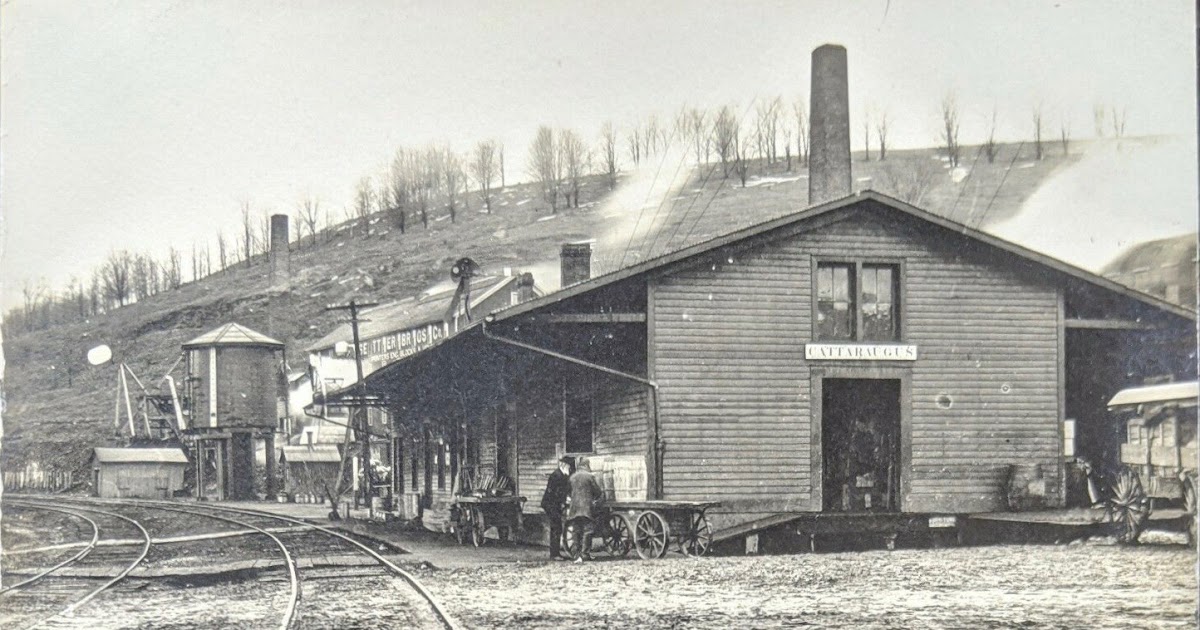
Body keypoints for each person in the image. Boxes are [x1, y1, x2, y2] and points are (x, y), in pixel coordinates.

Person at [566, 456, 604, 562]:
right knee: (588, 530)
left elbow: (568, 492)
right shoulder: (589, 476)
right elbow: (598, 492)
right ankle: (585, 554)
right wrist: (594, 499)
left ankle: (575, 554)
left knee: (576, 531)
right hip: (586, 508)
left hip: (574, 508)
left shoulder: (572, 477)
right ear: (587, 465)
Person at [540, 457, 572, 560]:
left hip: (555, 504)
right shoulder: (556, 475)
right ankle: (554, 554)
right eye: (568, 466)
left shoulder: (563, 475)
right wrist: (564, 500)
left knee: (557, 527)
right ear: (564, 465)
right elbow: (554, 492)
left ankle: (555, 553)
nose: (569, 468)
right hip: (550, 504)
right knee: (556, 527)